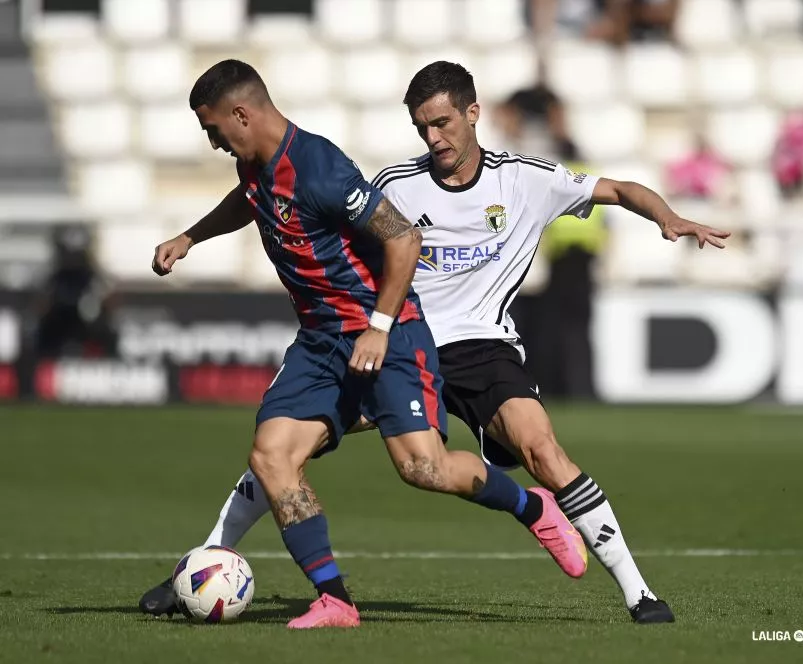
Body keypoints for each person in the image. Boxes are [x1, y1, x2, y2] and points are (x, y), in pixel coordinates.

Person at [142, 61, 730, 625]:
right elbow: (277, 203)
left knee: (539, 451)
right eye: (421, 127)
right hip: (384, 338)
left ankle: (637, 591)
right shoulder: (393, 184)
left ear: (473, 114)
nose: (432, 137)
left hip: (468, 346)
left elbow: (617, 189)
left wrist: (668, 217)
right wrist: (193, 237)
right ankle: (205, 569)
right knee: (282, 452)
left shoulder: (525, 178)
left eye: (442, 123)